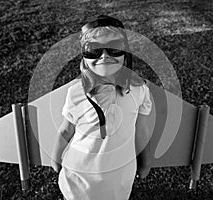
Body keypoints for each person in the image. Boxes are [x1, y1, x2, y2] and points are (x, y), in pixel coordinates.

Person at [51, 15, 153, 200]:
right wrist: (55, 159)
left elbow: (142, 130)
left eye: (114, 48)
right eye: (93, 50)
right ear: (84, 55)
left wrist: (145, 162)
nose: (104, 56)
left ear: (125, 53)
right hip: (78, 177)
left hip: (118, 179)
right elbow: (66, 130)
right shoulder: (76, 91)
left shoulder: (139, 90)